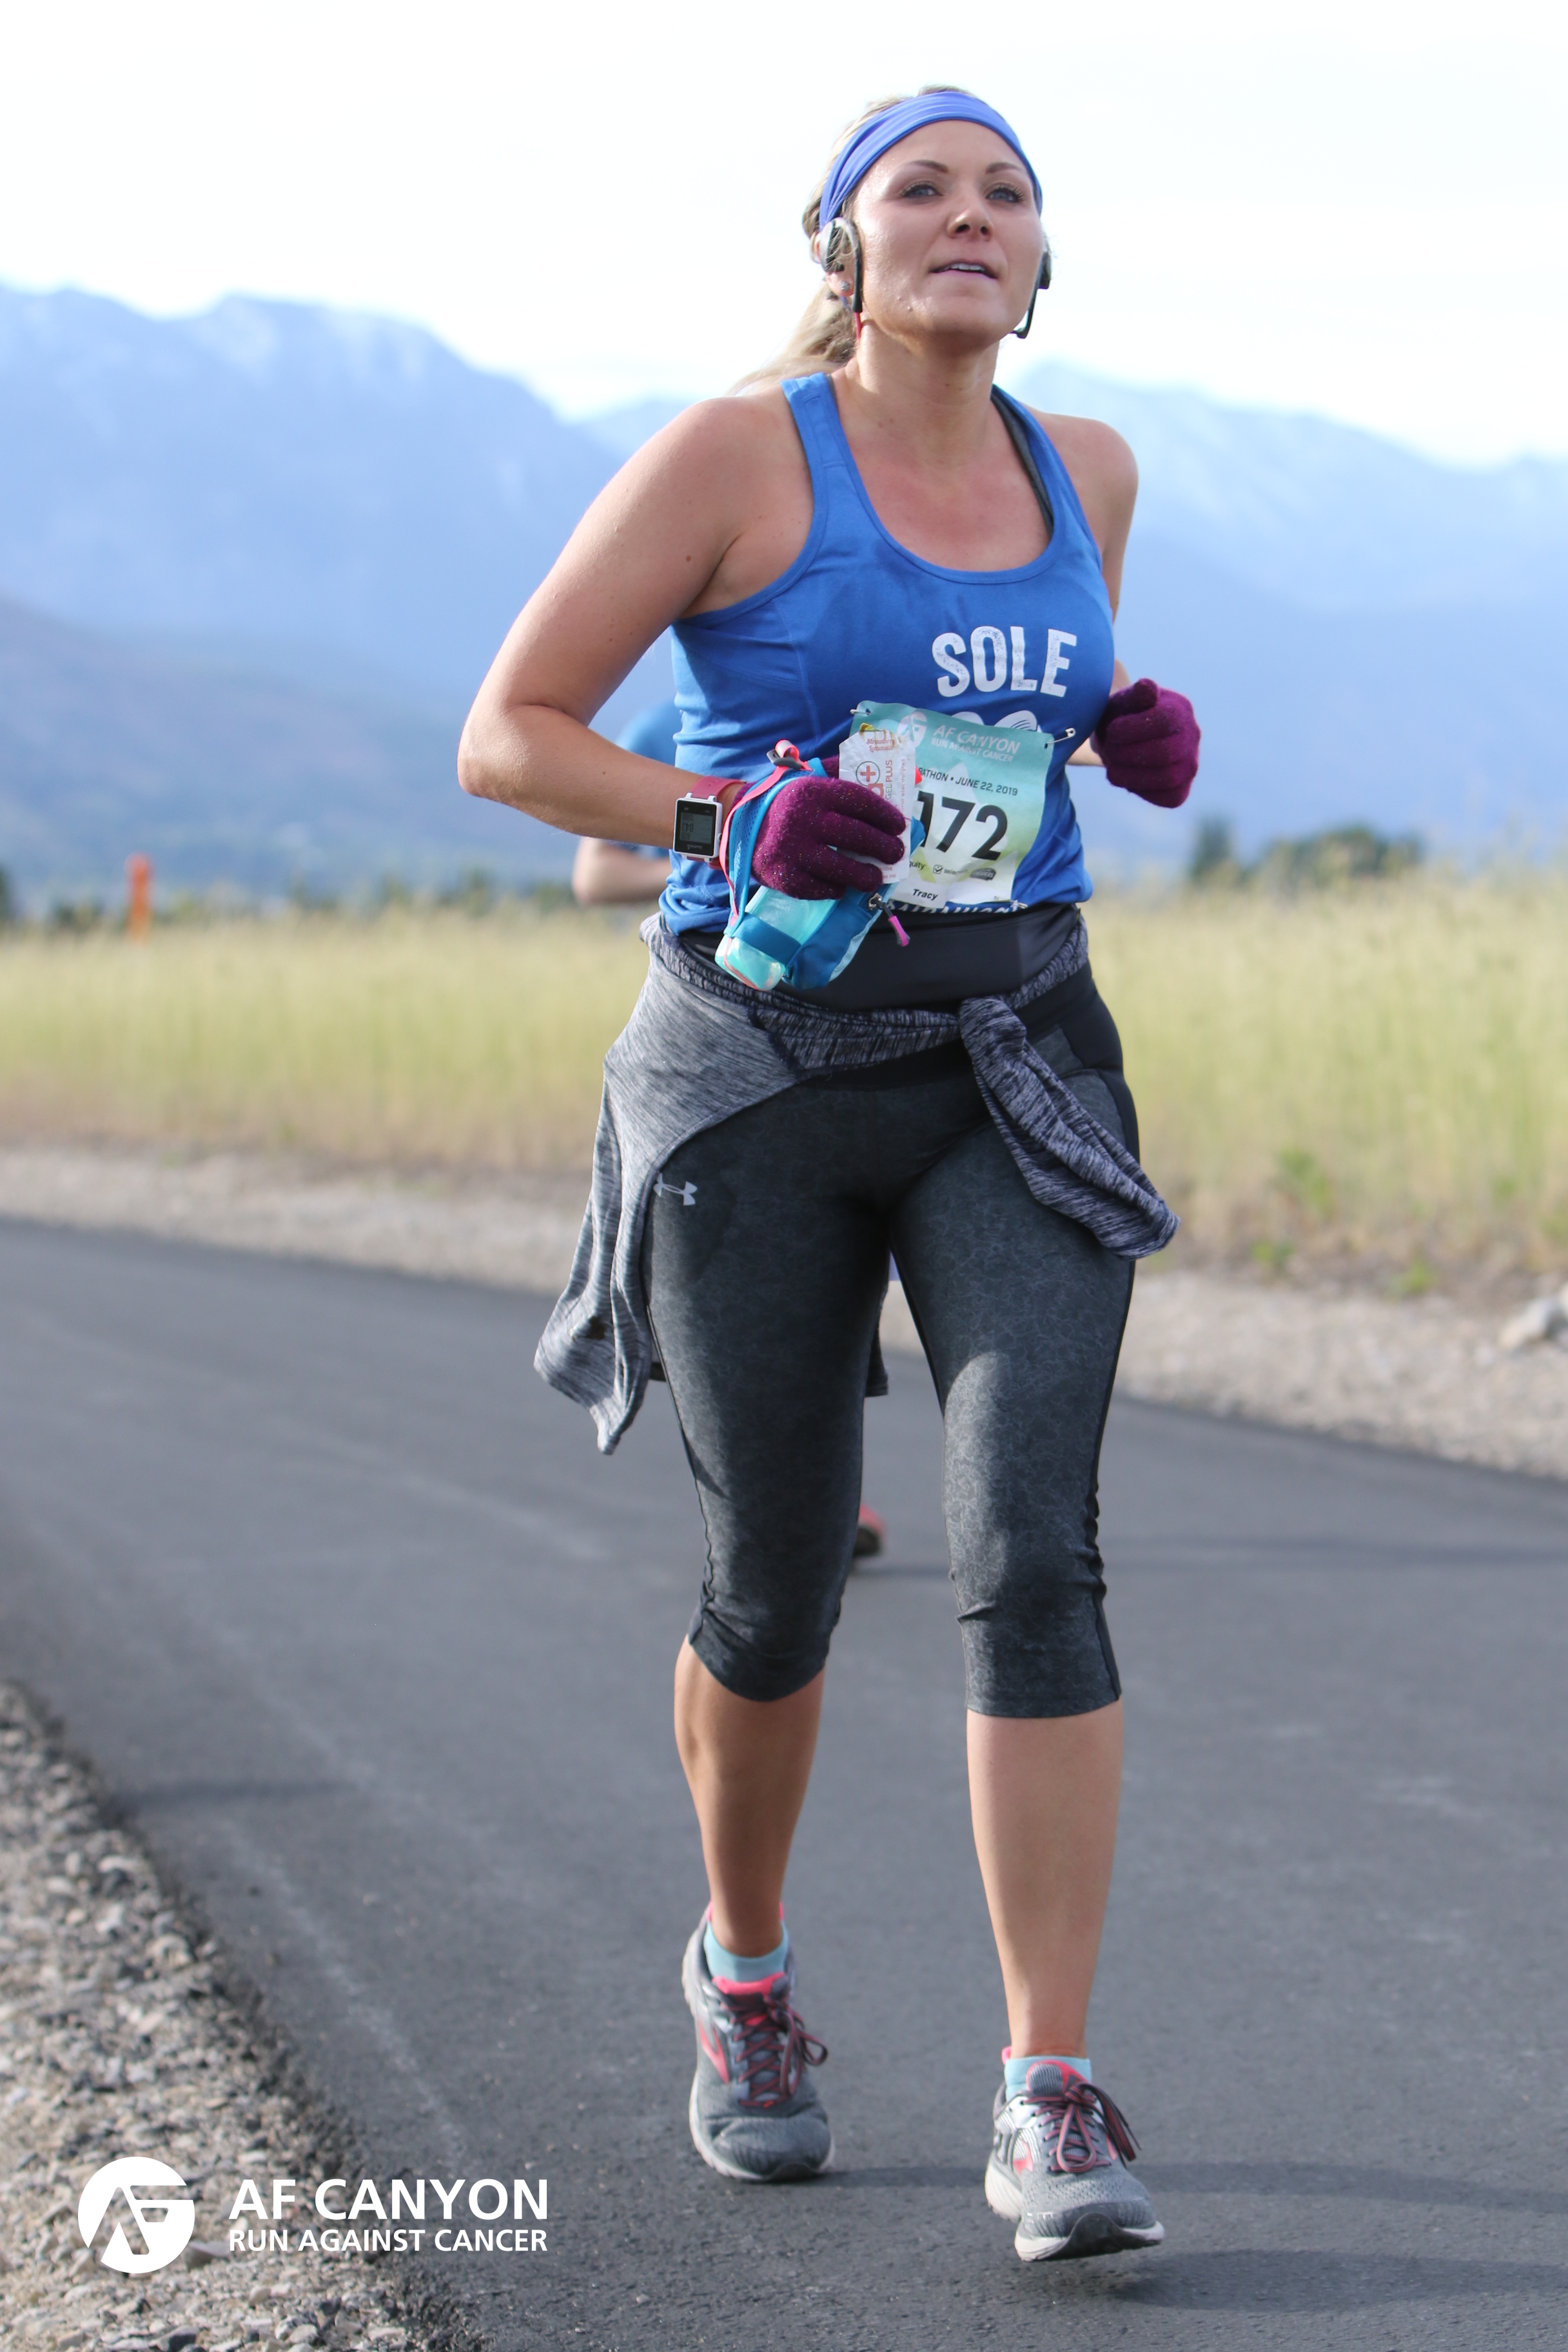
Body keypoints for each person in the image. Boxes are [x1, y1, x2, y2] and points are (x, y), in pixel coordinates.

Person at [458, 86, 1199, 2264]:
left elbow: (995, 728)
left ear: (1041, 264)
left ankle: (1048, 2090)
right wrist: (730, 819)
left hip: (1014, 1062)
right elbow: (512, 736)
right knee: (778, 1579)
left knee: (1032, 1553)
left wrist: (1110, 726)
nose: (970, 216)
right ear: (846, 248)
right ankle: (746, 1971)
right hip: (759, 1076)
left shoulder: (1093, 471)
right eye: (922, 191)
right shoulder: (734, 457)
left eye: (1007, 195)